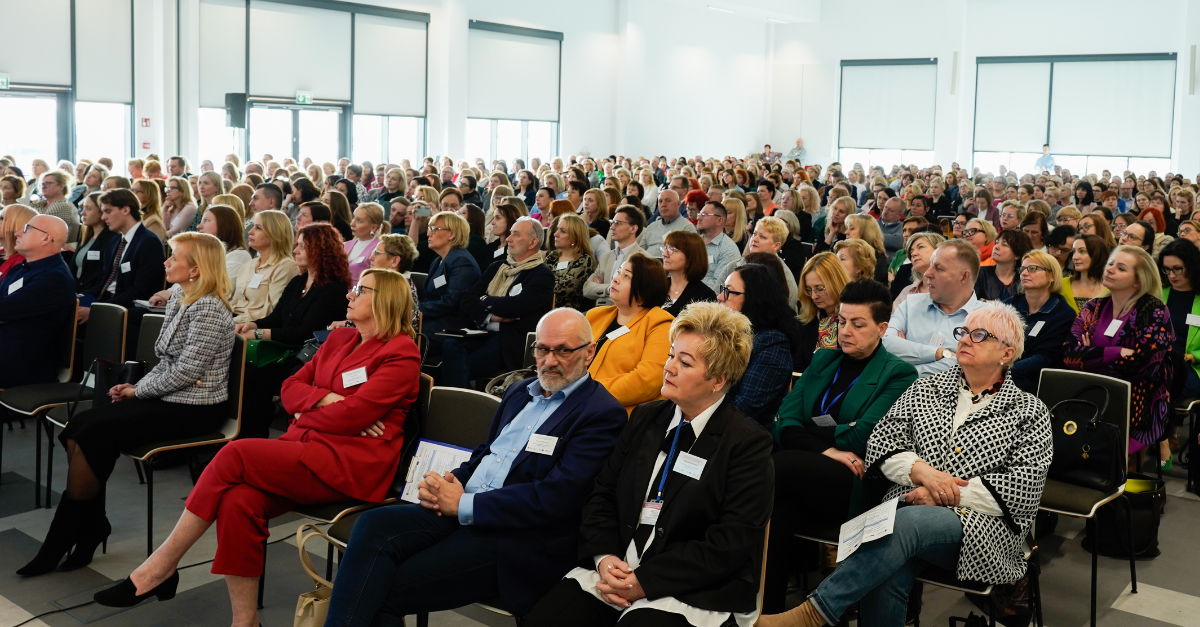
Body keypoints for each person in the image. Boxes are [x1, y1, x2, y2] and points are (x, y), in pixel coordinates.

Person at [95, 269, 421, 627]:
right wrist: (328, 400)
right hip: (305, 449)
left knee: (236, 452)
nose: (349, 294)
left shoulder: (401, 353)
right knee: (238, 502)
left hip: (348, 466)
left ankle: (160, 566)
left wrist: (311, 411)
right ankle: (245, 622)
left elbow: (351, 414)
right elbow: (290, 386)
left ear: (384, 299)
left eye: (360, 289)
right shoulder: (340, 338)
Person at [758, 302, 1052, 627]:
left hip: (982, 528)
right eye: (963, 332)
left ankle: (817, 612)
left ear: (1006, 353)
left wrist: (942, 495)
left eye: (979, 335)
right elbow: (882, 442)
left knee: (905, 524)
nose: (965, 339)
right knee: (887, 569)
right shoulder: (927, 388)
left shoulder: (1029, 411)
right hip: (904, 510)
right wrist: (921, 472)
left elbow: (1023, 488)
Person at [324, 308, 626, 622]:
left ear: (589, 352)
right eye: (542, 349)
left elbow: (555, 498)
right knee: (372, 526)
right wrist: (450, 480)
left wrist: (465, 504)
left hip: (516, 536)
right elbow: (486, 453)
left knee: (384, 590)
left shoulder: (600, 414)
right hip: (464, 509)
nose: (549, 361)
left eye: (563, 351)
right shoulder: (519, 392)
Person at [525, 302, 772, 627]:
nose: (668, 367)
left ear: (718, 379)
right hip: (616, 569)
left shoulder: (747, 443)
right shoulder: (645, 418)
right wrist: (605, 558)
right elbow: (602, 495)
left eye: (684, 362)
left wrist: (645, 582)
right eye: (671, 355)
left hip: (689, 589)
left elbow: (730, 543)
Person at [19, 232, 236, 578]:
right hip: (167, 395)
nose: (166, 263)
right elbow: (166, 362)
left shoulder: (209, 307)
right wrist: (137, 386)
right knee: (76, 429)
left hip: (194, 407)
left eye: (174, 257)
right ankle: (91, 526)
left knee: (93, 435)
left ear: (195, 269)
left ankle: (60, 542)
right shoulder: (181, 293)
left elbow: (186, 371)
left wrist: (138, 391)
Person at [763, 279, 918, 614]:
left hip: (856, 483)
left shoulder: (899, 374)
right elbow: (782, 425)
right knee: (777, 509)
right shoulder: (823, 360)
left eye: (857, 324)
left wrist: (806, 433)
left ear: (882, 328)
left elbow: (863, 437)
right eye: (842, 321)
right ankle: (768, 610)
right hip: (808, 473)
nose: (845, 331)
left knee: (773, 468)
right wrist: (828, 449)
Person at [234, 224, 353, 439]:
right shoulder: (298, 281)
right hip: (282, 350)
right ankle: (242, 435)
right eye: (296, 246)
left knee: (252, 376)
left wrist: (260, 334)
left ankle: (250, 437)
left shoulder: (333, 289)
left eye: (302, 247)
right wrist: (253, 325)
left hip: (306, 357)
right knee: (241, 369)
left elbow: (304, 333)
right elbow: (276, 318)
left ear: (320, 250)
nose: (295, 251)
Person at [1063, 245, 1173, 462]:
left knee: (1105, 458)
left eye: (1121, 268)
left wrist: (1091, 356)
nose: (1110, 269)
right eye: (1111, 263)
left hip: (1138, 401)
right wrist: (1116, 352)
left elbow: (1142, 365)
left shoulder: (1153, 310)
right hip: (1093, 392)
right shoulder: (1094, 307)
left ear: (1138, 280)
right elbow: (1069, 354)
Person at [441, 217, 555, 388]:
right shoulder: (497, 267)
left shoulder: (542, 275)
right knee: (451, 345)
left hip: (509, 341)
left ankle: (459, 406)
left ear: (532, 242)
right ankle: (462, 404)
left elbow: (515, 306)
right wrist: (491, 316)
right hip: (482, 330)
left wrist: (485, 299)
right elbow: (467, 300)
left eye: (516, 235)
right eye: (510, 234)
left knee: (459, 366)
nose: (508, 239)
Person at [586, 253, 674, 413]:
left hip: (617, 415)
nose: (616, 279)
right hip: (575, 404)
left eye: (626, 276)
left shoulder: (660, 324)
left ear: (645, 287)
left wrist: (587, 392)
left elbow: (647, 381)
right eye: (619, 272)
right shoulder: (595, 316)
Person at [717, 263, 801, 429]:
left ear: (753, 299)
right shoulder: (727, 333)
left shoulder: (772, 343)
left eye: (728, 291)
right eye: (722, 289)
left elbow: (743, 409)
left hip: (743, 439)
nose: (720, 297)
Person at [884, 239, 984, 377]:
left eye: (939, 268)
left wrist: (906, 353)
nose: (927, 273)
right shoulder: (910, 304)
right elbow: (885, 343)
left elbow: (966, 365)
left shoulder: (986, 318)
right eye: (930, 265)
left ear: (963, 277)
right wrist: (940, 353)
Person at [0, 214, 75, 389]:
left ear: (46, 238)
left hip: (20, 364)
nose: (17, 233)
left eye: (26, 229)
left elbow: (3, 309)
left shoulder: (55, 278)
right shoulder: (21, 268)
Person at [78, 189, 166, 323]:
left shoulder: (148, 242)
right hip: (106, 300)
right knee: (68, 307)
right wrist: (82, 296)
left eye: (108, 211)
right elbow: (103, 281)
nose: (103, 218)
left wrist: (98, 310)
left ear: (126, 210)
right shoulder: (115, 241)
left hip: (127, 308)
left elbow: (141, 290)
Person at [1007, 251, 1075, 394]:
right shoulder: (1007, 307)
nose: (1024, 273)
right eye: (1022, 269)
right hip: (999, 378)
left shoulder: (1063, 314)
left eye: (1032, 269)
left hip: (1036, 386)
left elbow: (1046, 358)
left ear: (1051, 275)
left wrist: (1003, 369)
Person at [1159, 238, 1200, 468]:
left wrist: (1194, 356)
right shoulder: (1159, 293)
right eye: (1167, 269)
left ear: (1192, 266)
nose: (1172, 275)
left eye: (1178, 269)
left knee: (1161, 382)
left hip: (1193, 366)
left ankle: (1161, 436)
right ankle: (1164, 435)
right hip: (1160, 360)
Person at [419, 211, 482, 353]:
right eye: (429, 229)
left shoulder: (461, 261)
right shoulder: (440, 260)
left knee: (401, 337)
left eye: (434, 229)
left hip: (451, 326)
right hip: (436, 319)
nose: (428, 234)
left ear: (451, 234)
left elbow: (451, 302)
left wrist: (416, 311)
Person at [227, 210, 298, 323]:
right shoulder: (248, 266)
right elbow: (235, 302)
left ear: (275, 234)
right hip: (234, 319)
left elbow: (270, 311)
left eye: (258, 228)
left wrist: (231, 322)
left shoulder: (285, 266)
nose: (250, 232)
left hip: (253, 326)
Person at [796, 252, 851, 372]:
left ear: (837, 283)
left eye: (820, 289)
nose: (814, 296)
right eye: (809, 290)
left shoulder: (854, 322)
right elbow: (798, 369)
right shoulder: (806, 322)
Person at [585, 205, 645, 307]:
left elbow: (636, 292)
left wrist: (600, 287)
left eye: (617, 223)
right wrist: (609, 288)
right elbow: (587, 288)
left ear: (633, 228)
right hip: (600, 310)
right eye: (612, 223)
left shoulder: (644, 259)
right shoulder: (606, 257)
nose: (611, 227)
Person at [545, 214, 597, 312]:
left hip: (568, 315)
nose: (556, 234)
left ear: (575, 237)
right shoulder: (552, 256)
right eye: (557, 229)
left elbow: (563, 289)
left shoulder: (584, 261)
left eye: (563, 231)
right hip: (545, 311)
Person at [70, 193, 119, 294]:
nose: (82, 213)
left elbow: (105, 277)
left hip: (93, 295)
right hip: (76, 291)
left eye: (88, 209)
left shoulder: (112, 239)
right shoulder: (86, 236)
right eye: (83, 208)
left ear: (102, 212)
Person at [661, 230, 716, 317]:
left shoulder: (704, 296)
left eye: (672, 250)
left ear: (691, 257)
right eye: (665, 249)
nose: (664, 254)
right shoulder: (656, 286)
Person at [196, 204, 252, 286]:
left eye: (206, 220)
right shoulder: (205, 253)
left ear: (224, 225)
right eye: (201, 221)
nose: (199, 226)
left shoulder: (239, 256)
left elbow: (222, 289)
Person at [695, 200, 741, 291]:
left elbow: (718, 285)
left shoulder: (728, 248)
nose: (699, 218)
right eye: (699, 214)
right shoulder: (693, 243)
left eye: (704, 215)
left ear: (719, 220)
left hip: (706, 301)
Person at [894, 231, 946, 310]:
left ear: (939, 250)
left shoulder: (955, 289)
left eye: (921, 247)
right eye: (911, 251)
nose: (913, 254)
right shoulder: (907, 292)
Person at [975, 230, 1032, 301]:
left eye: (1004, 245)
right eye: (997, 242)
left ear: (1017, 255)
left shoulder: (1024, 277)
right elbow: (974, 304)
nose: (996, 247)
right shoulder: (980, 272)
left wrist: (985, 302)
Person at [639, 189, 697, 258]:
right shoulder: (651, 227)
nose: (663, 204)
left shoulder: (687, 228)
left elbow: (690, 257)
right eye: (660, 201)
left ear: (678, 204)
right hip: (646, 264)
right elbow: (640, 251)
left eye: (668, 201)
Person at [32, 170, 82, 243]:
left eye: (48, 183)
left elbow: (39, 228)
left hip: (57, 250)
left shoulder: (63, 206)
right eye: (42, 184)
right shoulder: (41, 203)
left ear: (61, 186)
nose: (43, 186)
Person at [1065, 233, 1110, 312]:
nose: (1075, 257)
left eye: (1082, 251)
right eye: (1073, 252)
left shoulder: (1111, 289)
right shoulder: (1061, 285)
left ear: (1097, 254)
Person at [346, 202, 389, 280]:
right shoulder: (345, 245)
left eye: (359, 221)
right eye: (353, 218)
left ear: (373, 228)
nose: (352, 223)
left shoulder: (378, 249)